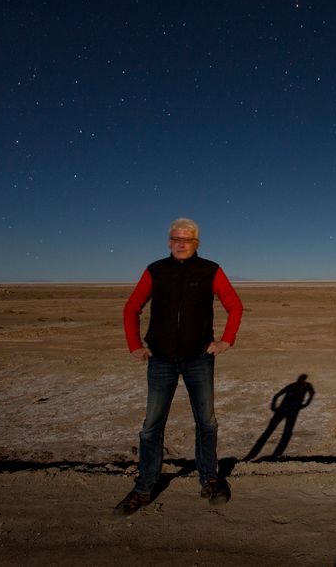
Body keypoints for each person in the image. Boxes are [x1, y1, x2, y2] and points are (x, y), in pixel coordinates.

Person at [114, 217, 244, 516]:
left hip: (199, 358)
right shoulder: (156, 271)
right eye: (176, 238)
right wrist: (134, 343)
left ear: (197, 243)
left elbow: (234, 305)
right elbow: (132, 307)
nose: (181, 243)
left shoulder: (210, 270)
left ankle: (210, 479)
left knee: (207, 422)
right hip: (160, 359)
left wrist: (226, 341)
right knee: (151, 426)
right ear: (169, 241)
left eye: (187, 239)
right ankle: (144, 487)